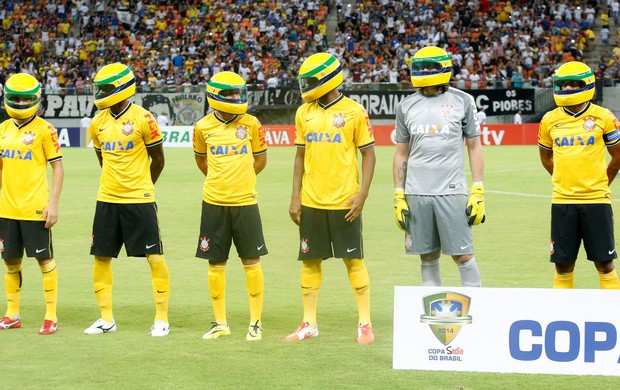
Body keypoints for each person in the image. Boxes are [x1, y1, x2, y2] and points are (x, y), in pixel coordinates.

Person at [286, 52, 376, 344]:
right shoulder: (304, 112)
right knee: (310, 261)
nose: (306, 85)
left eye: (311, 80)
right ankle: (309, 323)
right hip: (312, 202)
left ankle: (365, 323)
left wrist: (362, 194)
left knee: (353, 260)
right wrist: (295, 196)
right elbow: (300, 156)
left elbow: (369, 154)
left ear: (328, 78)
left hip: (344, 202)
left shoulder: (354, 111)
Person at [83, 63, 171, 337]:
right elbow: (102, 158)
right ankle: (106, 319)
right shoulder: (97, 122)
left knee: (154, 257)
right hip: (107, 199)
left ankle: (161, 319)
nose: (101, 93)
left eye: (106, 89)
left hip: (139, 199)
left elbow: (158, 160)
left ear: (123, 87)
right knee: (101, 257)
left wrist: (142, 186)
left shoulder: (144, 118)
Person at [392, 46, 485, 288]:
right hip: (416, 192)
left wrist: (478, 190)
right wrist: (398, 193)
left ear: (444, 68)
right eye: (420, 67)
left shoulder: (463, 100)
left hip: (451, 191)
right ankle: (432, 313)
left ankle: (476, 311)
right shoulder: (405, 106)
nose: (425, 72)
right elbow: (401, 152)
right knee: (428, 256)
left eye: (430, 67)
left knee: (463, 255)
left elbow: (474, 146)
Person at [193, 71, 268, 341]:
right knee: (216, 262)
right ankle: (220, 323)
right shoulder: (202, 127)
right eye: (231, 94)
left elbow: (260, 160)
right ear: (217, 96)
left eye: (239, 92)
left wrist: (241, 180)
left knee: (251, 260)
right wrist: (220, 181)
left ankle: (255, 323)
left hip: (245, 202)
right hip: (213, 203)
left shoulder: (251, 123)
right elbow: (202, 162)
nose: (237, 97)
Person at [538, 61, 620, 289]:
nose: (567, 89)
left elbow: (617, 155)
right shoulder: (549, 120)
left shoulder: (603, 117)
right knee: (563, 265)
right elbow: (545, 158)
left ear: (587, 85)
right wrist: (563, 177)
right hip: (562, 201)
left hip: (596, 200)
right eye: (563, 85)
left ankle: (613, 315)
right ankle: (562, 314)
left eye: (573, 84)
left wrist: (604, 180)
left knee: (604, 263)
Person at [0, 73, 64, 335]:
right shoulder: (2, 129)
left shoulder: (44, 129)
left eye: (26, 98)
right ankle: (12, 314)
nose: (20, 102)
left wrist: (53, 203)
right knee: (11, 262)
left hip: (35, 208)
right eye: (17, 98)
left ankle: (51, 316)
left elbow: (57, 167)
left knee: (44, 261)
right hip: (6, 209)